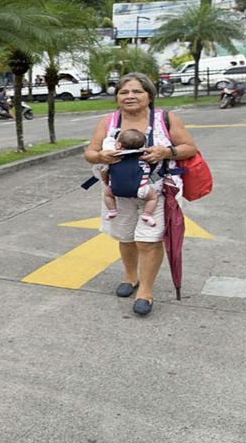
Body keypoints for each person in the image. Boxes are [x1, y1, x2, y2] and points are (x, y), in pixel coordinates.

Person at [85, 72, 198, 316]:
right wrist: (102, 157)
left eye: (137, 91)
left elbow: (189, 148)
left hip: (157, 192)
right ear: (117, 97)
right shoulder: (109, 121)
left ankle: (146, 290)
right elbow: (91, 153)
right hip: (118, 193)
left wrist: (165, 152)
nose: (130, 96)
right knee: (125, 238)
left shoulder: (165, 119)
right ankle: (129, 276)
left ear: (149, 96)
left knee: (149, 240)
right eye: (124, 92)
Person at [101, 129, 159, 227]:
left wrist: (106, 180)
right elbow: (153, 166)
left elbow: (104, 172)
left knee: (107, 194)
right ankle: (147, 214)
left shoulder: (113, 158)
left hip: (115, 190)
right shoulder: (144, 157)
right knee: (153, 197)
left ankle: (112, 210)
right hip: (140, 189)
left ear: (119, 145)